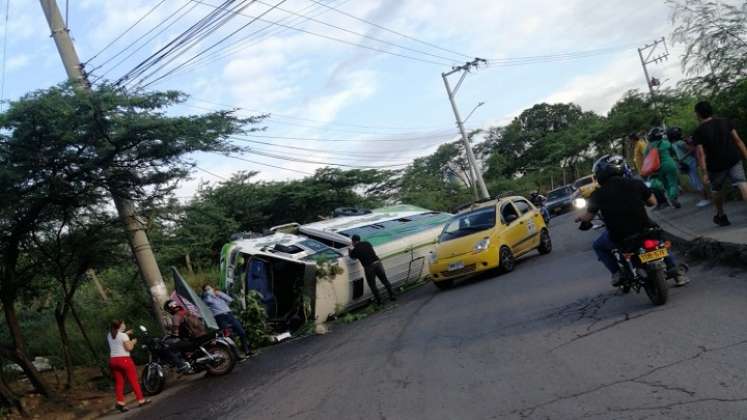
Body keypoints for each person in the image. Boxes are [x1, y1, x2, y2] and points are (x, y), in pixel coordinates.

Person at [576, 155, 688, 287]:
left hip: (620, 236)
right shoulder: (636, 183)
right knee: (659, 243)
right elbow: (652, 202)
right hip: (646, 228)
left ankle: (617, 273)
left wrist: (580, 218)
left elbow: (588, 217)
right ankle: (677, 273)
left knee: (598, 246)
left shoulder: (598, 194)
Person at [692, 101, 747, 226]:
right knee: (743, 184)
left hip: (715, 166)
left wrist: (704, 172)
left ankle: (721, 215)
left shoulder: (699, 131)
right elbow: (738, 140)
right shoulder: (725, 121)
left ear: (698, 114)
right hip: (733, 159)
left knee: (716, 190)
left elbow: (701, 153)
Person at [107, 320, 150, 412]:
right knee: (134, 380)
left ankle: (120, 403)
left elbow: (118, 338)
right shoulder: (123, 336)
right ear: (120, 326)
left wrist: (127, 333)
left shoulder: (110, 334)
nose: (124, 325)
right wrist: (133, 342)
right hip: (124, 360)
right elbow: (129, 348)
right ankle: (141, 400)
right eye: (123, 323)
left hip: (113, 361)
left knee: (119, 383)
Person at [202, 285, 252, 357]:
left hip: (229, 315)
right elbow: (208, 301)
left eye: (210, 288)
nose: (209, 290)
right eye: (207, 289)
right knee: (229, 337)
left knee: (241, 332)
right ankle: (237, 355)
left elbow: (230, 299)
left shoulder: (219, 295)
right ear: (204, 292)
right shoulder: (206, 298)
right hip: (220, 317)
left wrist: (220, 294)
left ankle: (247, 350)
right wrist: (208, 294)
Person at [349, 234, 396, 304]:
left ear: (353, 241)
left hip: (369, 267)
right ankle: (392, 295)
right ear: (359, 239)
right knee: (385, 280)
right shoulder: (367, 243)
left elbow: (353, 258)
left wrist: (349, 252)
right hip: (378, 263)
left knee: (372, 285)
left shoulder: (355, 249)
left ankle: (380, 301)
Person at [670, 128, 711, 208]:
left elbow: (692, 149)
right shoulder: (675, 143)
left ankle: (705, 199)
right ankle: (704, 198)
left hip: (690, 162)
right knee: (693, 181)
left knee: (696, 181)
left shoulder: (679, 143)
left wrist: (682, 158)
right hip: (687, 163)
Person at [163, 299, 207, 373]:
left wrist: (173, 335)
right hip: (202, 335)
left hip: (193, 338)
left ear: (170, 309)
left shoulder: (176, 316)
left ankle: (181, 366)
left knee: (170, 348)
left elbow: (176, 330)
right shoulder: (187, 312)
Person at [647, 127, 682, 208]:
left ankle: (670, 197)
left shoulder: (649, 147)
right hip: (669, 164)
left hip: (657, 168)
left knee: (666, 184)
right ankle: (673, 197)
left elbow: (646, 158)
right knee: (673, 182)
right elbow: (673, 152)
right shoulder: (666, 143)